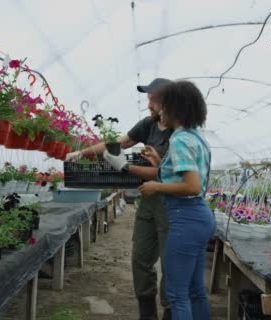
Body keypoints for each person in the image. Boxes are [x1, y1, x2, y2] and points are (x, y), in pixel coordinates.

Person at [104, 80, 214, 319]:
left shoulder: (180, 139)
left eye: (164, 106)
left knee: (177, 295)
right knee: (196, 291)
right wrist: (158, 162)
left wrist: (155, 186)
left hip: (184, 215)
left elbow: (192, 186)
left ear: (176, 107)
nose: (159, 111)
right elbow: (190, 176)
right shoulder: (197, 137)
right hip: (199, 216)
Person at [66, 78, 174, 320]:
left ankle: (170, 311)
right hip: (148, 199)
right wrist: (81, 153)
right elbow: (119, 143)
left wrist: (125, 167)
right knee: (141, 259)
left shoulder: (179, 132)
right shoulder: (149, 125)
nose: (148, 102)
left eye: (152, 97)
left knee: (170, 264)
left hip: (170, 203)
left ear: (166, 100)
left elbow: (168, 173)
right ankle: (147, 313)